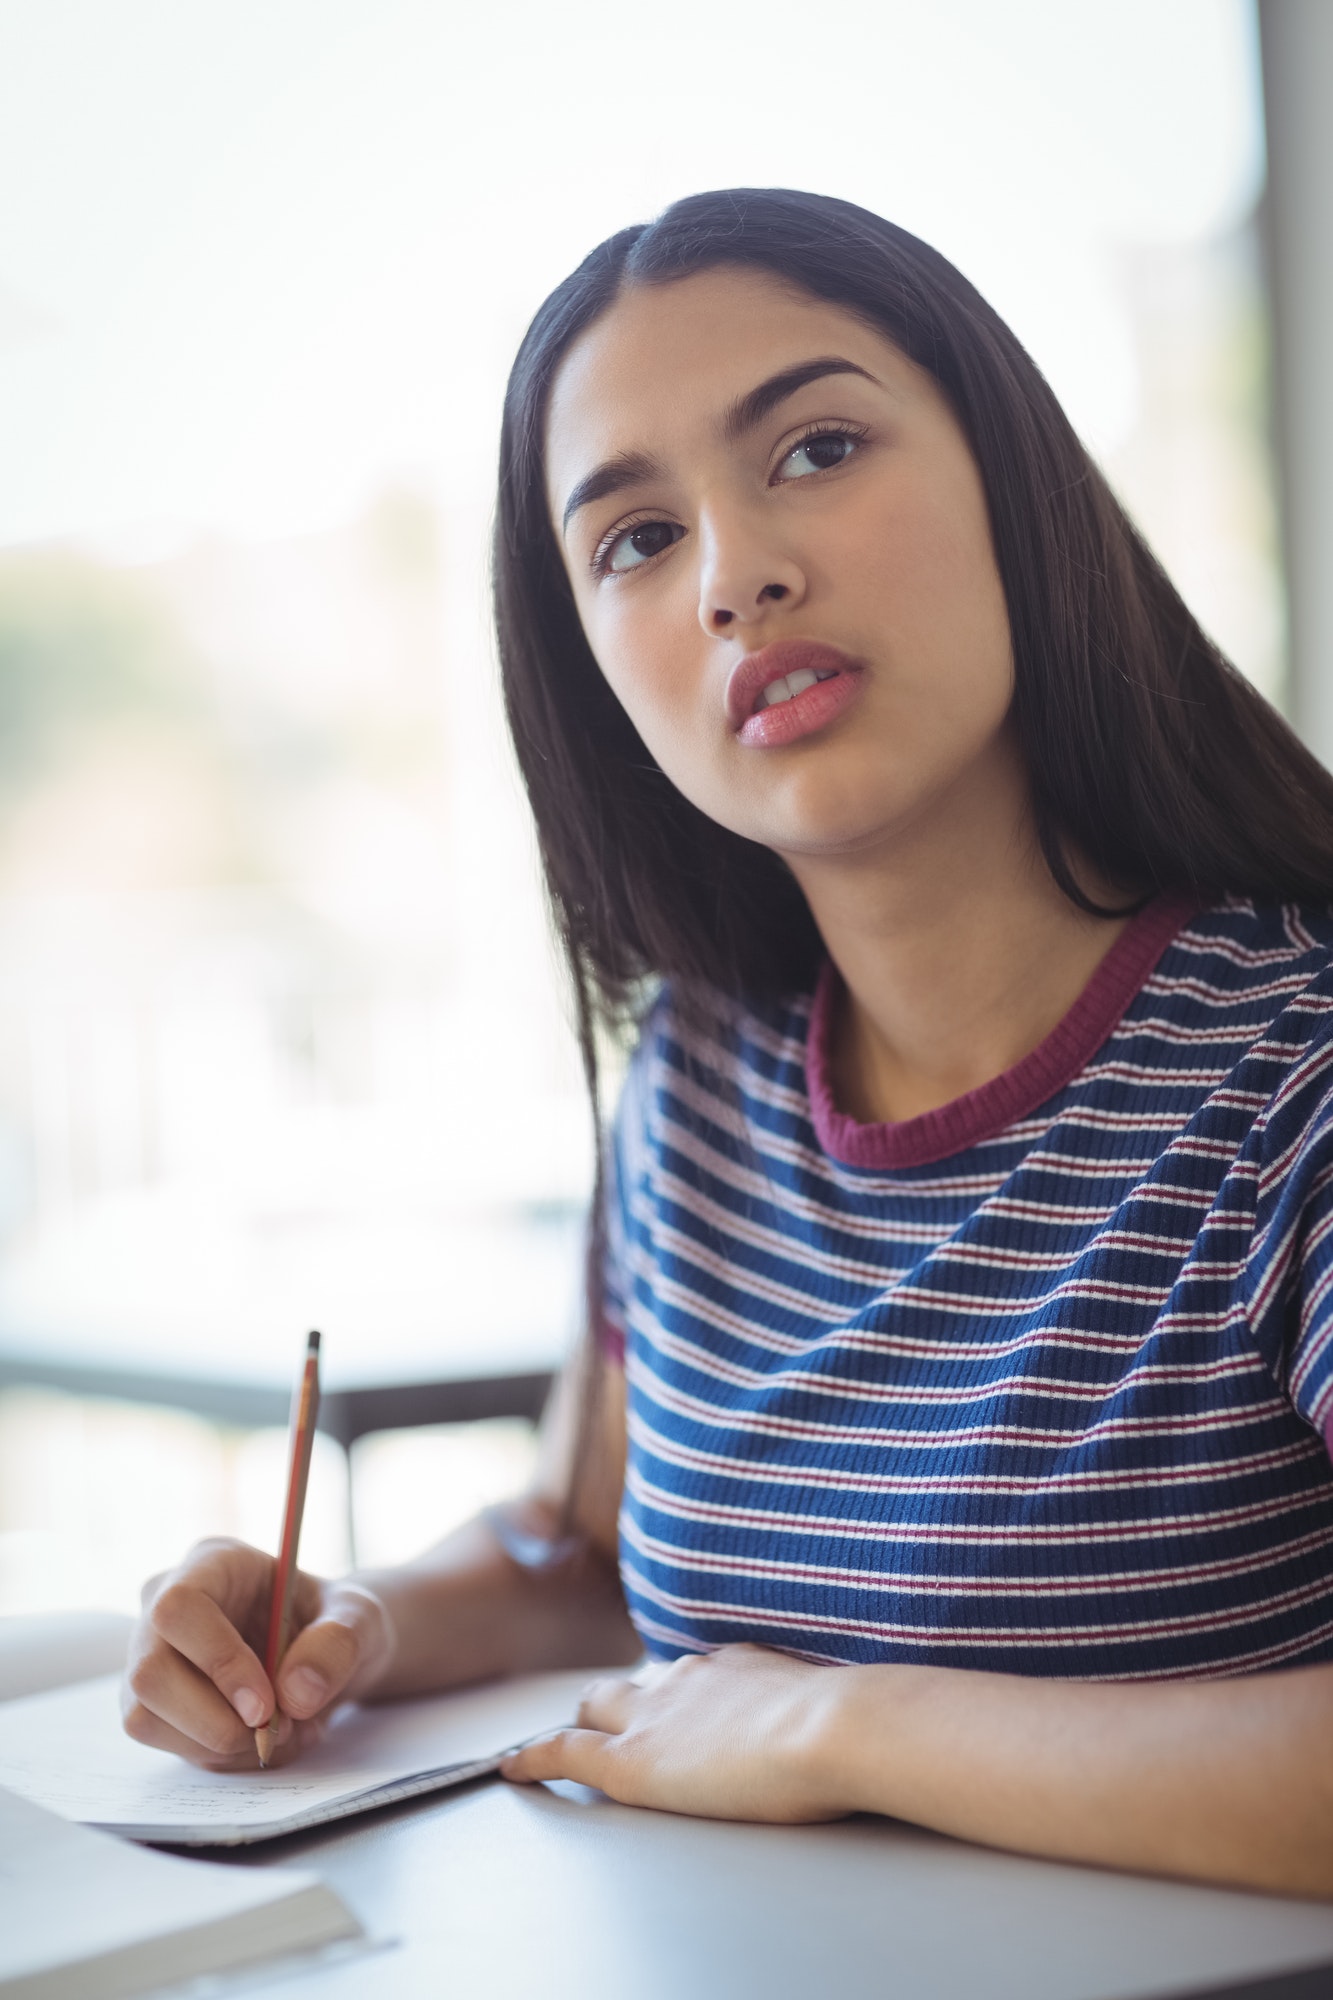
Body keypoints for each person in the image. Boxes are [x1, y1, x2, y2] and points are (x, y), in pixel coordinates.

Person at [122, 189, 1333, 1898]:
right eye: (631, 540)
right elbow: (580, 1546)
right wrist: (350, 1625)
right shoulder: (695, 1075)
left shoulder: (1293, 1074)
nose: (734, 574)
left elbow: (775, 1706)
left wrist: (843, 1729)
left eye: (819, 447)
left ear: (1013, 480)